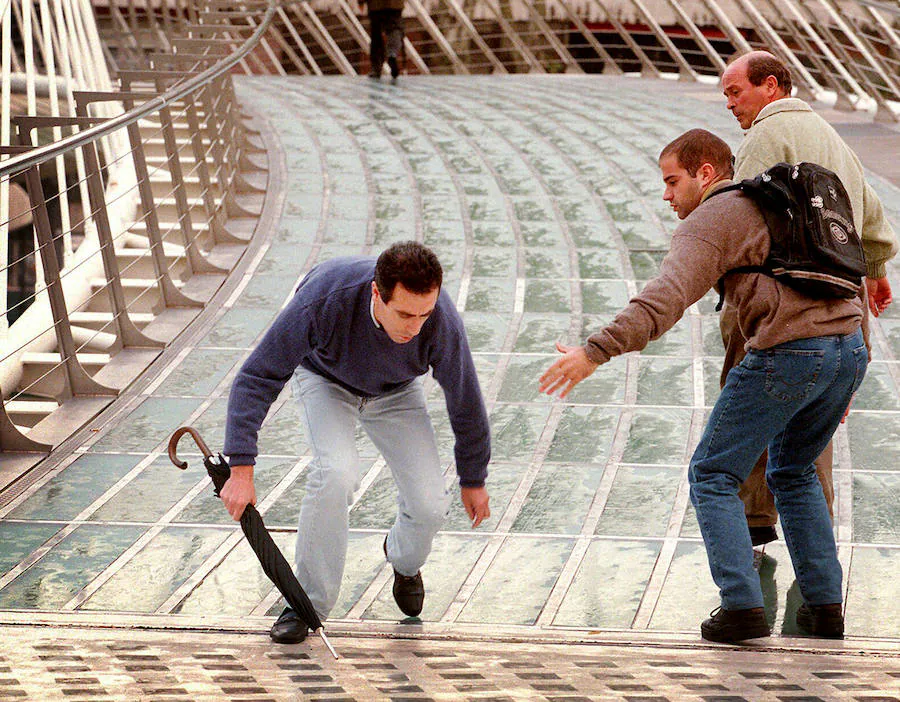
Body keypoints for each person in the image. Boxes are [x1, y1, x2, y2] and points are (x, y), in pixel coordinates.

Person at [539, 129, 867, 643]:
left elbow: (664, 298)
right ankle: (825, 609)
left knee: (712, 473)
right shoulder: (779, 204)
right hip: (848, 347)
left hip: (790, 351)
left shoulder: (714, 217)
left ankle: (741, 608)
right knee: (795, 469)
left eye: (672, 181)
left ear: (706, 174)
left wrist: (594, 351)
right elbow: (853, 270)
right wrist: (844, 375)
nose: (667, 195)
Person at [222, 241, 491, 643]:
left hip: (396, 393)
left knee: (431, 505)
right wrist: (241, 469)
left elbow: (465, 399)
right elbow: (257, 377)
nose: (415, 327)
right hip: (326, 381)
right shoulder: (324, 300)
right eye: (404, 314)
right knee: (335, 472)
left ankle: (402, 560)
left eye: (424, 314)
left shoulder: (439, 320)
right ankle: (306, 602)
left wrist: (473, 478)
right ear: (376, 294)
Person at [721, 50, 898, 548]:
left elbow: (742, 220)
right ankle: (816, 548)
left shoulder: (763, 137)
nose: (730, 104)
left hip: (784, 302)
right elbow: (873, 216)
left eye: (736, 91)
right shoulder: (831, 136)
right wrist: (877, 273)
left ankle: (754, 521)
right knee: (814, 427)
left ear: (771, 86)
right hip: (847, 300)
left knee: (749, 403)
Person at [362, 0, 404, 80]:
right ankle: (392, 53)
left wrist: (360, 1)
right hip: (395, 4)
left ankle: (376, 68)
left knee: (376, 34)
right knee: (394, 29)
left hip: (375, 5)